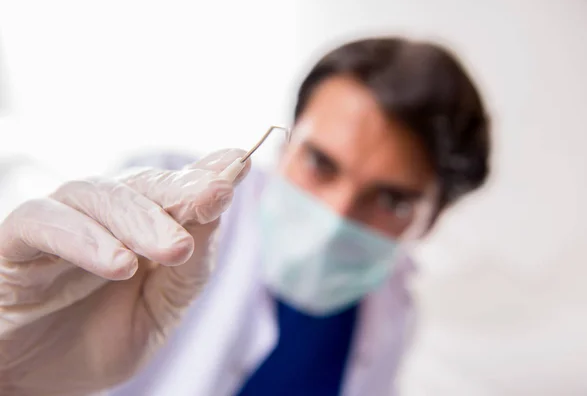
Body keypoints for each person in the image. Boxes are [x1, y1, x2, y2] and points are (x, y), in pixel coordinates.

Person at [0, 36, 490, 396]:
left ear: (431, 220)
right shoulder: (166, 213)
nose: (336, 215)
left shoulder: (396, 316)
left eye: (392, 200)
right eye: (320, 164)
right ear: (288, 141)